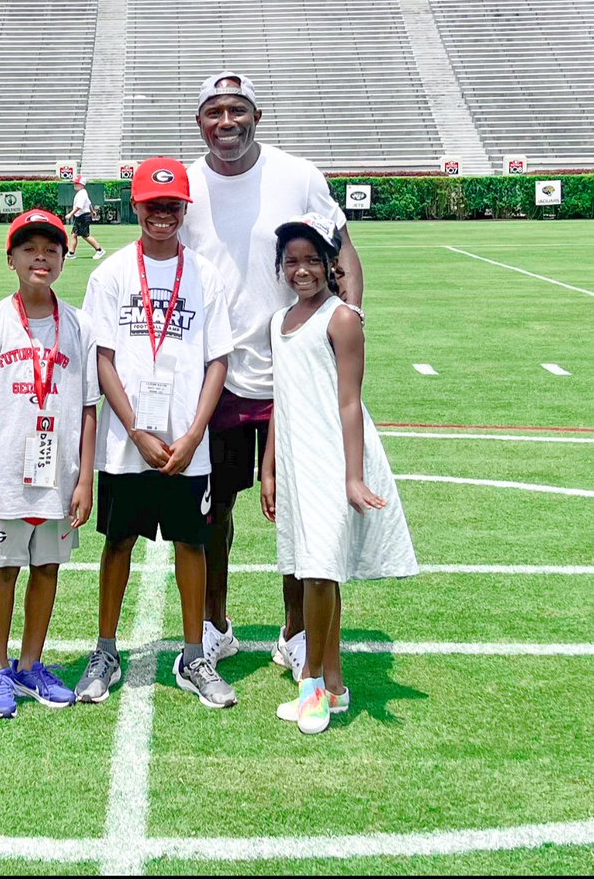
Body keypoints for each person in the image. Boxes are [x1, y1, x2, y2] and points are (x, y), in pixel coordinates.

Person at [178, 71, 364, 678]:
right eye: (214, 112)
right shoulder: (185, 184)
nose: (225, 122)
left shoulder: (299, 174)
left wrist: (350, 316)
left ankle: (296, 633)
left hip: (293, 369)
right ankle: (215, 626)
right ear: (200, 120)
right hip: (216, 373)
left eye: (237, 110)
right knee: (215, 509)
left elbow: (344, 248)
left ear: (257, 115)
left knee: (298, 507)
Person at [75, 157, 237, 709]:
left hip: (187, 444)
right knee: (117, 541)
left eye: (172, 205)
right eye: (152, 205)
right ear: (135, 208)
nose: (162, 215)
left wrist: (193, 436)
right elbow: (103, 359)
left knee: (192, 543)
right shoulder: (111, 274)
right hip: (127, 443)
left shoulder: (206, 274)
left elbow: (218, 361)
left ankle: (195, 655)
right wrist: (136, 429)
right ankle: (105, 650)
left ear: (184, 209)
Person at [261, 213, 417, 734]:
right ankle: (335, 684)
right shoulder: (278, 322)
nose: (301, 270)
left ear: (331, 264)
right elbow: (281, 401)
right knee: (315, 568)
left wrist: (354, 477)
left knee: (320, 572)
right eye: (291, 261)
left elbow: (350, 403)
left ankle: (311, 689)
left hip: (333, 456)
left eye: (311, 260)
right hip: (296, 459)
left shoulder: (342, 318)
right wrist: (269, 468)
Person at [0, 209, 99, 719]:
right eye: (30, 248)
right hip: (7, 475)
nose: (42, 257)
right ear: (10, 258)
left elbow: (86, 406)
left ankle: (31, 665)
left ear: (63, 258)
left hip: (60, 476)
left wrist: (86, 480)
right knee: (5, 568)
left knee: (49, 568)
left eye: (52, 249)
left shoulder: (78, 325)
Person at [66, 176, 106, 260]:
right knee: (74, 234)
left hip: (83, 217)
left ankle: (99, 250)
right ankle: (71, 253)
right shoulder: (83, 192)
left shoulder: (81, 194)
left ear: (81, 184)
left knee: (85, 235)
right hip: (81, 216)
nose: (75, 184)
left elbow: (79, 207)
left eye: (77, 183)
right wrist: (92, 211)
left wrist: (70, 214)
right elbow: (89, 203)